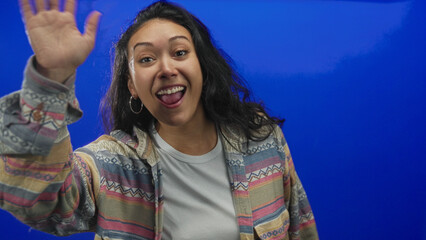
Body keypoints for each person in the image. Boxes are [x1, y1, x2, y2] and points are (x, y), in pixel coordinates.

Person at [0, 0, 319, 239]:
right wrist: (52, 78)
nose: (166, 69)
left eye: (180, 53)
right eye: (147, 59)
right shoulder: (109, 164)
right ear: (132, 86)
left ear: (203, 68)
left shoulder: (262, 138)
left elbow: (301, 228)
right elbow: (38, 200)